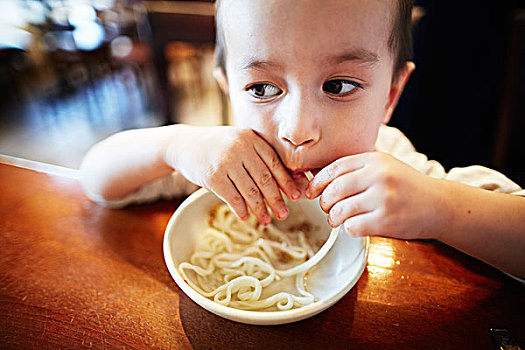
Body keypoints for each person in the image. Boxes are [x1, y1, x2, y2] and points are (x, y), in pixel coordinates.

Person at [80, 0, 525, 279]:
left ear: (391, 96)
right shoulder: (221, 165)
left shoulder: (395, 166)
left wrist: (441, 207)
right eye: (262, 89)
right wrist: (175, 146)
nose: (298, 130)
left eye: (338, 86)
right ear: (227, 89)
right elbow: (97, 180)